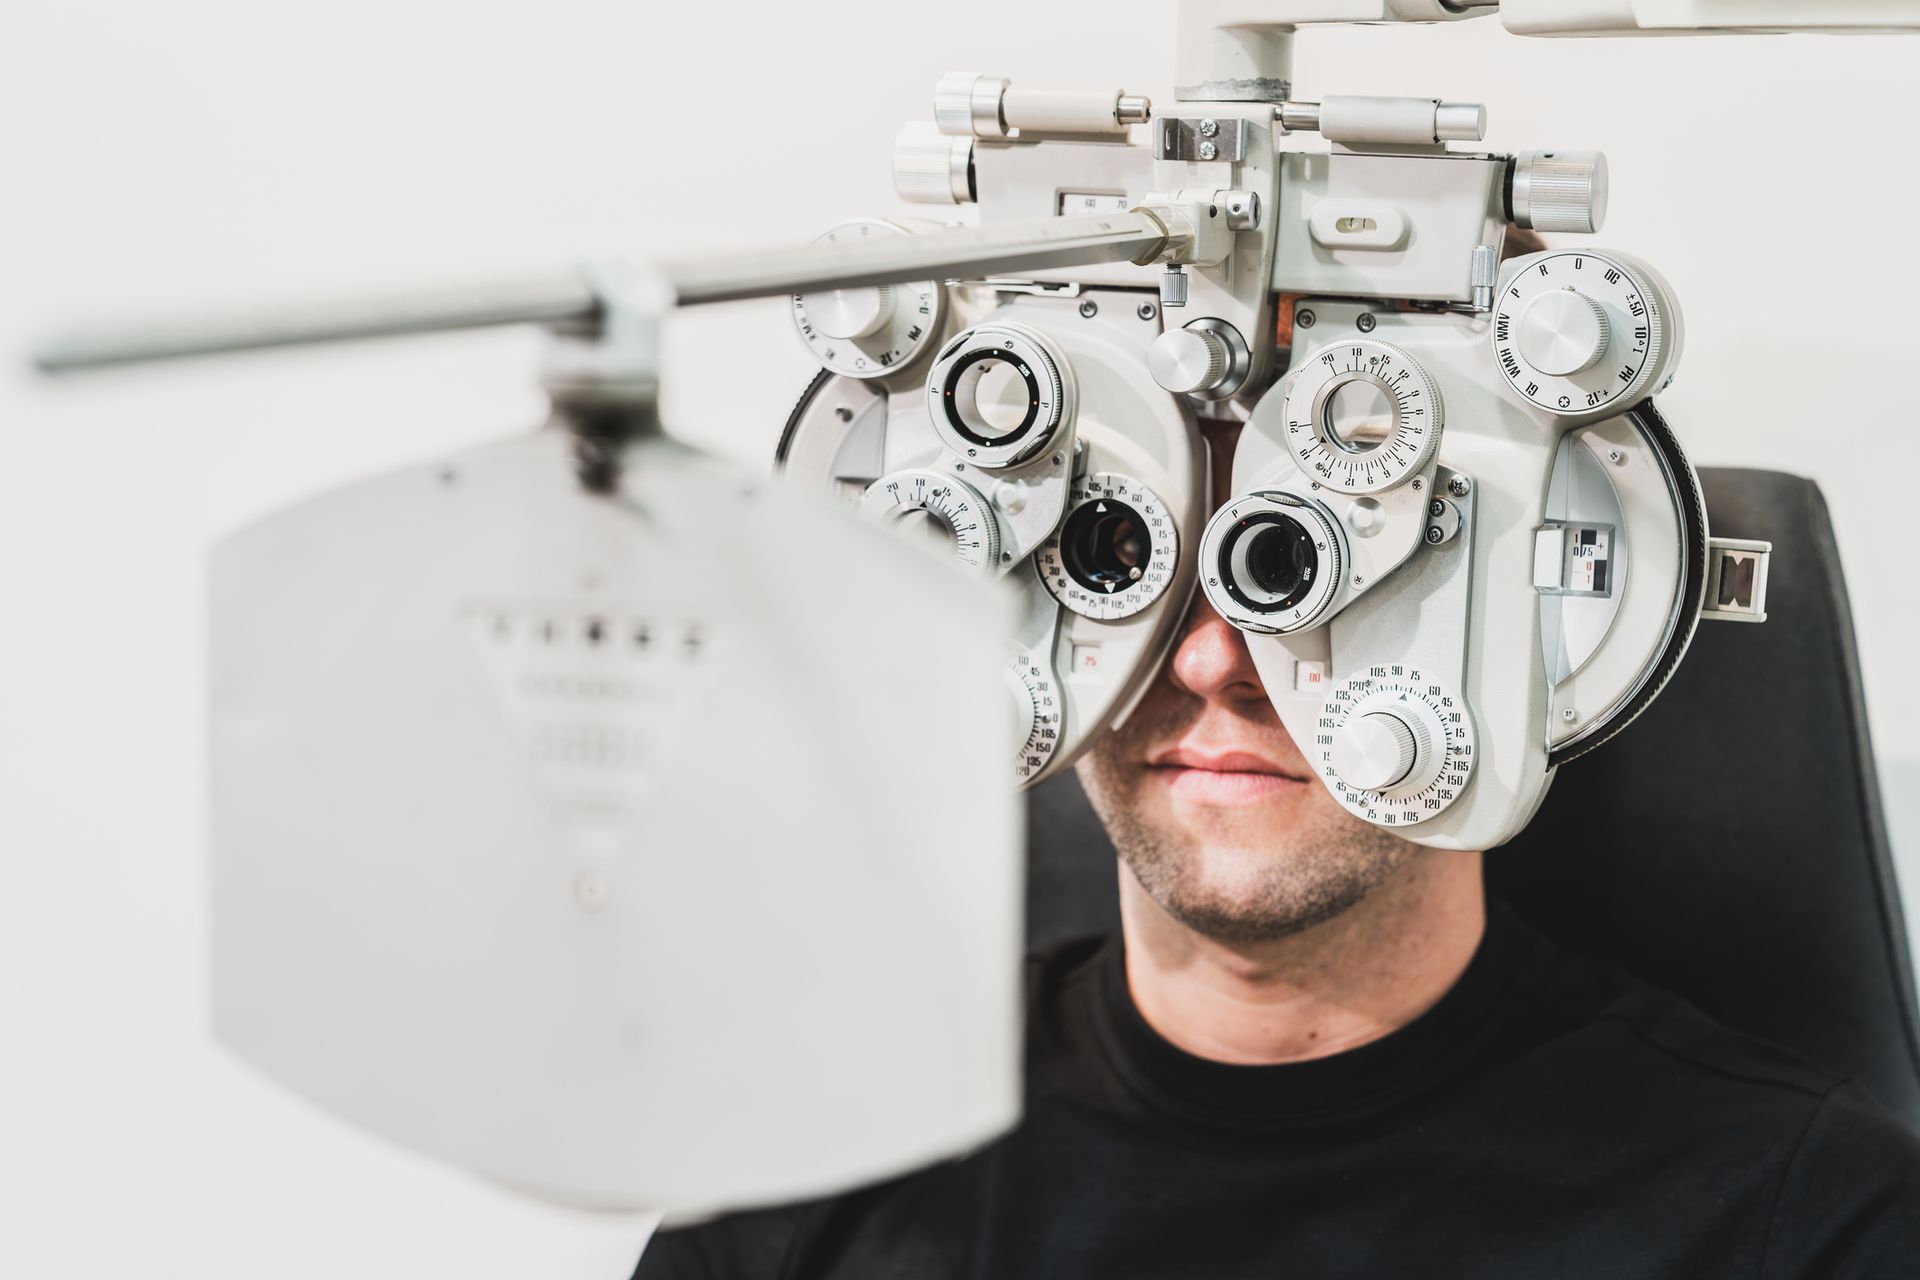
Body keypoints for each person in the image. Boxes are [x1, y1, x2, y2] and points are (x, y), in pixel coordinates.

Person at [633, 404, 1920, 1280]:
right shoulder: (803, 1167)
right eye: (1123, 555)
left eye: (1301, 564)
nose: (1210, 657)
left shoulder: (1810, 1217)